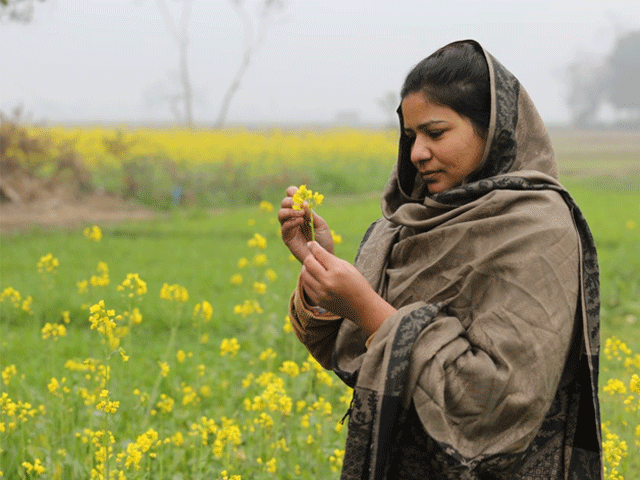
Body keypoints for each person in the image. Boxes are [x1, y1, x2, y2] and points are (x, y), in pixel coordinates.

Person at [278, 40, 602, 479]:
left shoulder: (537, 228)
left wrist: (368, 308)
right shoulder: (406, 225)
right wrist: (319, 260)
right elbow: (351, 354)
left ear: (494, 131)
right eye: (411, 137)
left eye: (436, 133)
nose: (416, 154)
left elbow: (495, 399)